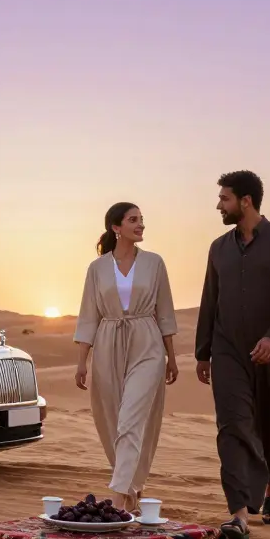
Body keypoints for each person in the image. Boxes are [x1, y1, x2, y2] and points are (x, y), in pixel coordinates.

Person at [195, 170, 270, 539]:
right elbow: (211, 298)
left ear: (245, 201)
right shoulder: (218, 248)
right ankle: (239, 514)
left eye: (224, 199)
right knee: (232, 426)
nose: (218, 205)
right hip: (229, 350)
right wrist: (204, 352)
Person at [74, 202, 180, 514]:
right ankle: (133, 488)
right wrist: (82, 360)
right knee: (112, 421)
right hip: (107, 344)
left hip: (147, 343)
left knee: (132, 418)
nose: (141, 225)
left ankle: (118, 499)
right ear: (116, 228)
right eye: (134, 220)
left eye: (142, 220)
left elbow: (166, 312)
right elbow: (88, 316)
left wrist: (172, 358)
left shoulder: (154, 263)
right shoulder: (97, 268)